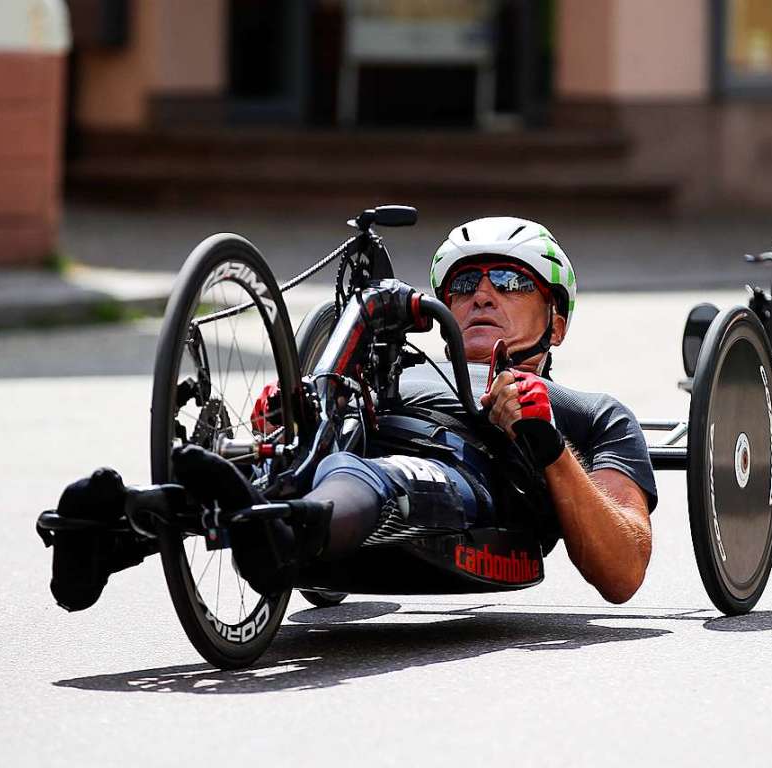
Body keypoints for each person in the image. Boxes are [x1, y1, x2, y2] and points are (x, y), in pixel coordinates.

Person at [46, 217, 656, 612]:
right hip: (349, 454)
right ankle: (113, 529)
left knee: (385, 477)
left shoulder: (592, 415)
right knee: (296, 462)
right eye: (464, 281)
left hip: (464, 488)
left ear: (558, 320)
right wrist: (290, 417)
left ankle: (283, 533)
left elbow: (623, 567)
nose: (481, 293)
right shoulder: (396, 368)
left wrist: (543, 440)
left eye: (509, 280)